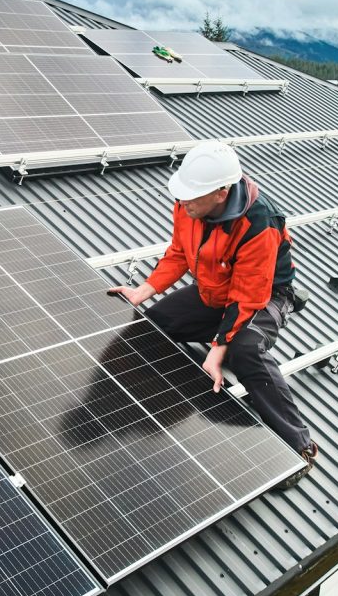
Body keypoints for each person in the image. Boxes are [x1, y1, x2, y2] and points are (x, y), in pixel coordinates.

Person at [108, 140, 318, 480]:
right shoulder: (189, 204)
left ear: (221, 193)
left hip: (266, 297)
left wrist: (220, 347)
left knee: (245, 349)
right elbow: (178, 252)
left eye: (192, 196)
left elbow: (249, 295)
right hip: (215, 290)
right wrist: (142, 291)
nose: (183, 202)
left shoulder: (258, 223)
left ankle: (299, 445)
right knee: (155, 322)